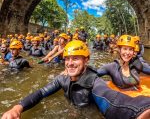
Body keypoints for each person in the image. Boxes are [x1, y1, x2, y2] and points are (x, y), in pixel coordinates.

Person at [2, 40, 150, 119]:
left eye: (76, 59)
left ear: (86, 61)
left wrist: (139, 110)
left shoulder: (94, 82)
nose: (70, 63)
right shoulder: (62, 78)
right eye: (68, 59)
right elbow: (41, 93)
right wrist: (17, 108)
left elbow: (112, 99)